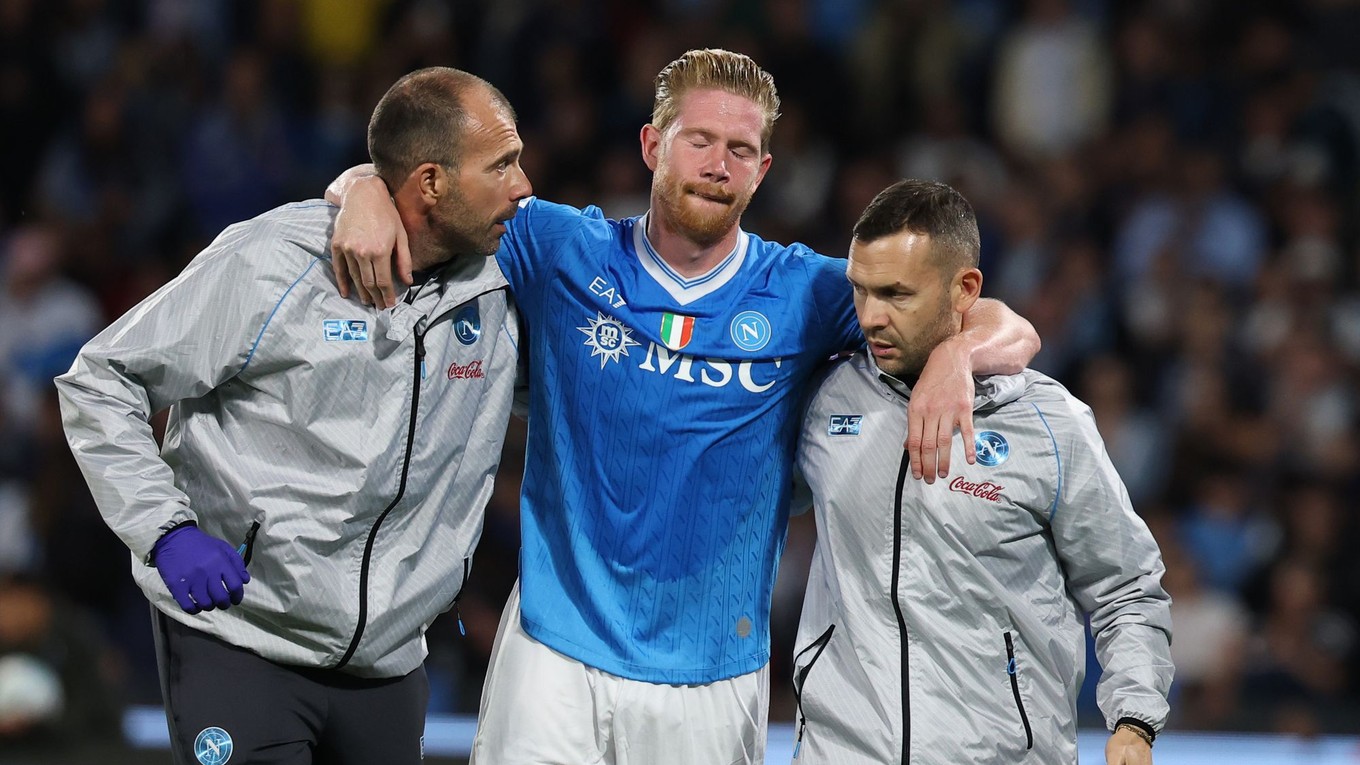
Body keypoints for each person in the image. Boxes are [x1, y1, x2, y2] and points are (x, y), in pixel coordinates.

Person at [327, 50, 1040, 764]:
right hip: (553, 654)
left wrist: (955, 355)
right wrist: (362, 190)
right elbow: (429, 187)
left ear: (762, 170)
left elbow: (1007, 325)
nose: (718, 165)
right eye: (699, 140)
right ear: (652, 145)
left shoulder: (806, 292)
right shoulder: (562, 248)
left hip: (712, 677)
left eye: (741, 150)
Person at [54, 67, 531, 765]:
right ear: (430, 182)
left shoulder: (508, 282)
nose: (524, 186)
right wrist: (166, 531)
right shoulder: (277, 261)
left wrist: (361, 184)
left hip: (390, 660)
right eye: (502, 165)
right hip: (241, 635)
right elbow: (101, 378)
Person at [791, 179, 1172, 764]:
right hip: (842, 750)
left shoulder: (1050, 423)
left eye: (896, 294)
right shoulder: (825, 399)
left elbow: (1126, 587)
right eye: (860, 291)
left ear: (964, 288)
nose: (870, 317)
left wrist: (1134, 720)